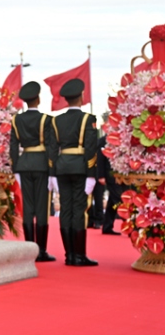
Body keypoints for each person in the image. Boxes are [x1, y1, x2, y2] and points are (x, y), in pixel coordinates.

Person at [47, 78, 98, 266]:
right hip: (80, 167)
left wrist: (52, 173)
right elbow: (91, 148)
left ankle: (69, 255)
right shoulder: (88, 119)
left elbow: (52, 149)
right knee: (79, 211)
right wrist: (91, 173)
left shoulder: (56, 120)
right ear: (82, 97)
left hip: (61, 167)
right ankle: (79, 255)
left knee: (66, 210)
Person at [10, 81, 57, 262]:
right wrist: (52, 169)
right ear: (38, 99)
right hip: (42, 164)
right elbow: (52, 147)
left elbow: (13, 146)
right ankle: (41, 251)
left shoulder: (16, 120)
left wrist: (15, 168)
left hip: (24, 164)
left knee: (28, 208)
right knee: (42, 208)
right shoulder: (46, 120)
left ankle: (30, 248)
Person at [96, 113, 122, 236]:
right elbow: (100, 160)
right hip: (109, 174)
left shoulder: (120, 139)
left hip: (119, 174)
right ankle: (131, 225)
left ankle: (107, 226)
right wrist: (100, 176)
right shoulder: (102, 141)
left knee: (112, 200)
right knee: (119, 199)